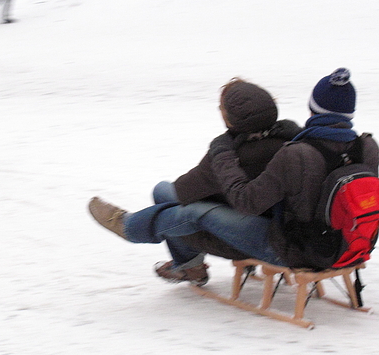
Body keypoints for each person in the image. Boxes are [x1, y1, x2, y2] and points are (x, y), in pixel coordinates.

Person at [88, 69, 379, 286]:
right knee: (180, 202)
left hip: (294, 250)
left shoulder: (297, 152)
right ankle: (185, 263)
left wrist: (222, 154)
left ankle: (130, 227)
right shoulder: (366, 146)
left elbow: (246, 202)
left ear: (313, 108)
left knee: (188, 211)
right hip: (349, 245)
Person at [89, 78, 302, 285]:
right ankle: (187, 264)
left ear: (230, 118)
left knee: (171, 198)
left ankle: (173, 255)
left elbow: (184, 192)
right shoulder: (292, 138)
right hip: (273, 219)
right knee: (171, 193)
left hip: (262, 239)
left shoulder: (232, 153)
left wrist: (221, 151)